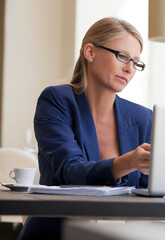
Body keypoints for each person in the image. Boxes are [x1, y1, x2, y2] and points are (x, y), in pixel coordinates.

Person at [18, 17, 151, 240]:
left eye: (135, 62)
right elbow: (70, 171)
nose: (129, 69)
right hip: (56, 234)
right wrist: (128, 162)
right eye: (122, 57)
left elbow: (151, 190)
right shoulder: (56, 100)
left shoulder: (142, 117)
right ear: (90, 52)